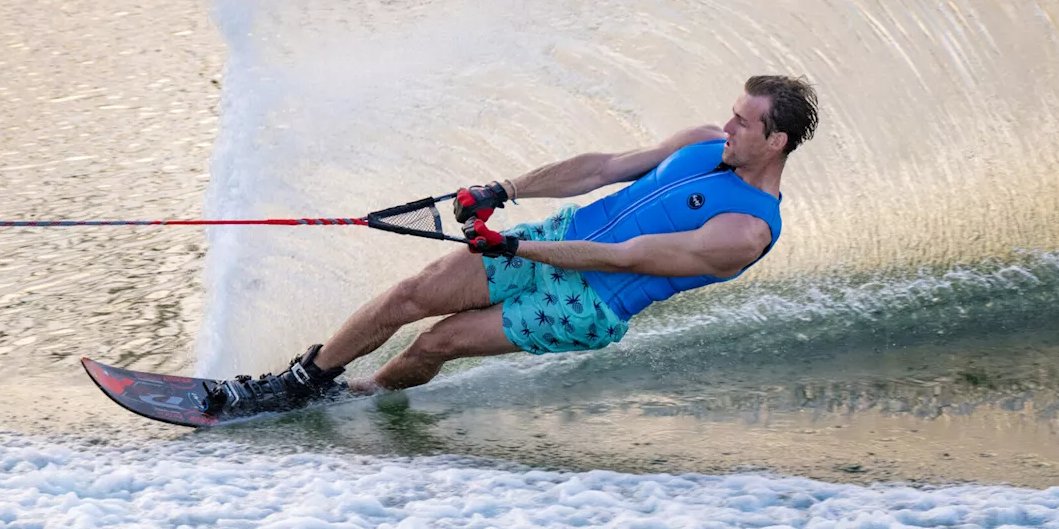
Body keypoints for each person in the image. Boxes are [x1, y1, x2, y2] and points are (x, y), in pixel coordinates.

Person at [200, 75, 819, 416]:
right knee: (414, 292)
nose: (729, 125)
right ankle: (304, 382)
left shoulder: (747, 231)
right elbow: (602, 167)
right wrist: (504, 189)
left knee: (438, 341)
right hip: (559, 238)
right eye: (733, 113)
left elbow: (625, 259)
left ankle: (363, 396)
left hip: (588, 303)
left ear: (776, 141)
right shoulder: (702, 142)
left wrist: (513, 250)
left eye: (744, 121)